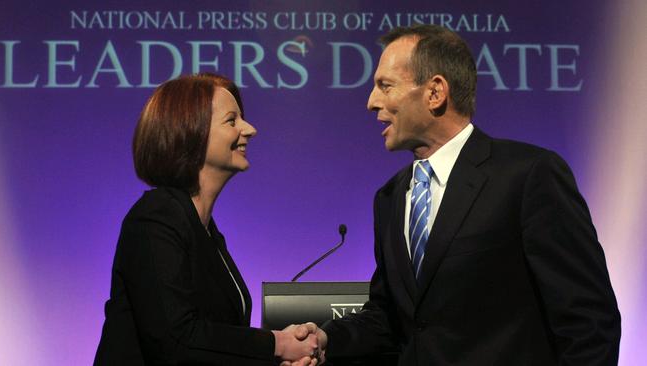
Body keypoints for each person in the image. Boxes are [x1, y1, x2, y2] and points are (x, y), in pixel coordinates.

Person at [299, 25, 621, 365]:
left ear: (435, 92)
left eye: (385, 86)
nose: (371, 102)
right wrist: (326, 338)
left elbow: (588, 320)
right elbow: (389, 317)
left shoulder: (527, 176)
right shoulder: (390, 197)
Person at [94, 73, 319, 366]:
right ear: (191, 132)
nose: (250, 129)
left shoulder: (206, 230)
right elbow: (177, 340)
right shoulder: (155, 218)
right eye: (232, 120)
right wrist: (277, 344)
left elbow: (215, 348)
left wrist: (281, 356)